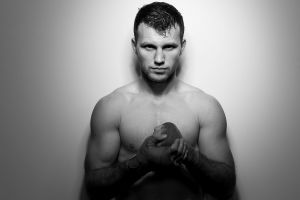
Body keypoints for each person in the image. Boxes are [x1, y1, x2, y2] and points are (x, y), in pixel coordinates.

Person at [84, 2, 236, 200]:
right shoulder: (111, 107)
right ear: (134, 47)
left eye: (169, 47)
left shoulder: (205, 107)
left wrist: (190, 156)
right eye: (149, 46)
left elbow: (226, 187)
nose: (158, 58)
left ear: (182, 47)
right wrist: (142, 161)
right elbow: (93, 187)